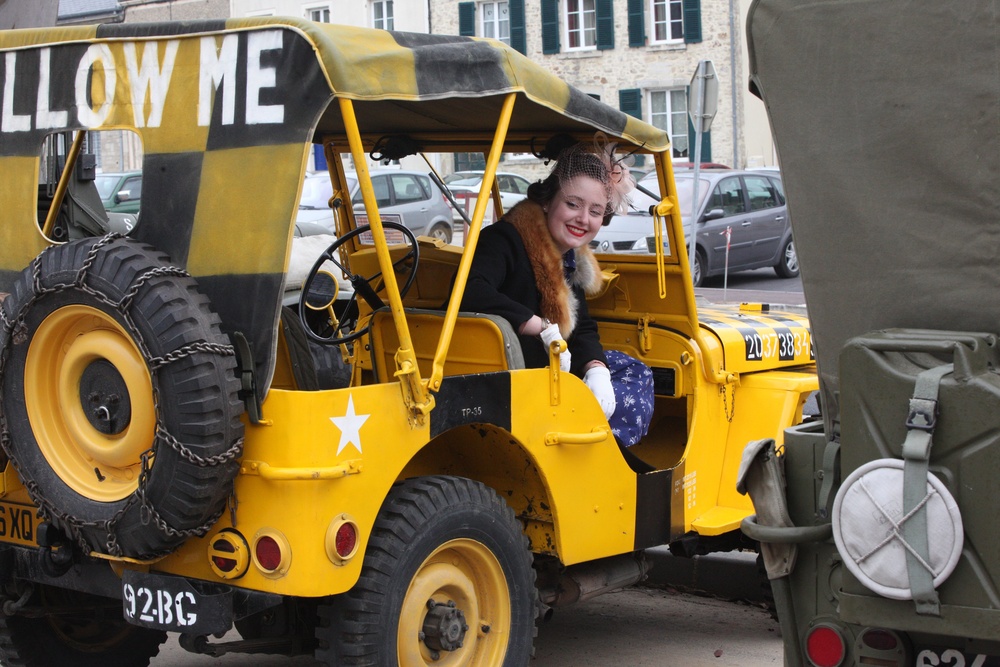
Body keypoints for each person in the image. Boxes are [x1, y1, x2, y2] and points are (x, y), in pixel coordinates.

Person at [458, 135, 654, 448]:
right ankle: (587, 453)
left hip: (552, 365)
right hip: (512, 372)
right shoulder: (506, 239)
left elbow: (583, 325)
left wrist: (596, 369)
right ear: (548, 200)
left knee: (632, 372)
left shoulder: (569, 255)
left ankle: (602, 456)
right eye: (573, 204)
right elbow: (469, 291)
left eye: (595, 210)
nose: (583, 219)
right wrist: (537, 325)